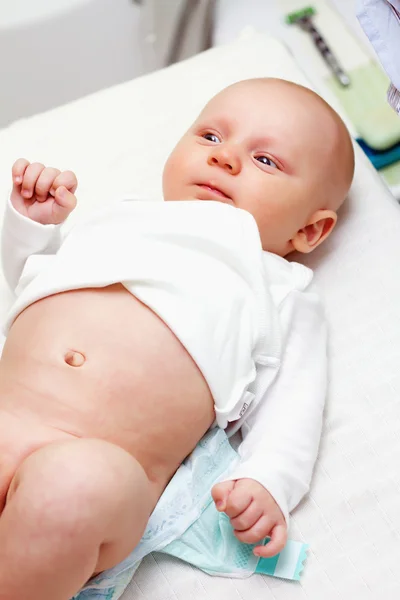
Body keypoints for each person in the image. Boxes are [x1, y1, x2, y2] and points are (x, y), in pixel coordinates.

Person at [0, 78, 354, 600]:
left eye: (265, 161)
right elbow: (29, 283)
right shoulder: (122, 215)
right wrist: (32, 228)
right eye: (211, 137)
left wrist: (269, 480)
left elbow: (297, 406)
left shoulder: (280, 286)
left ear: (310, 232)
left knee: (70, 493)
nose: (225, 159)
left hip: (100, 463)